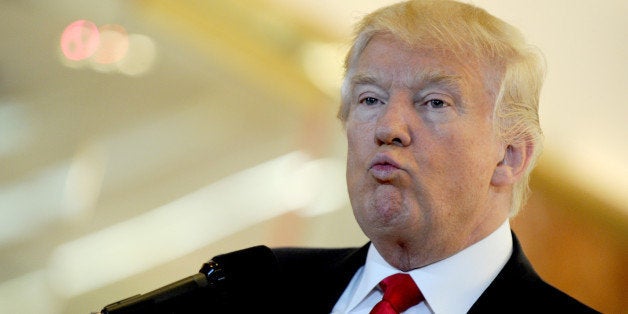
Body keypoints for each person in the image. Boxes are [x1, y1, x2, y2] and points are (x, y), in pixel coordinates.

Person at [101, 1, 598, 313]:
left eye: (434, 103)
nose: (388, 128)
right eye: (369, 99)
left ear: (510, 156)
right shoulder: (251, 291)